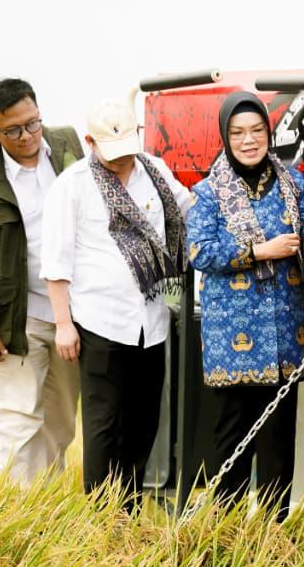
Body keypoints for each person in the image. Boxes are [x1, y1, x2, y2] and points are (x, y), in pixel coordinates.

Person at [41, 97, 192, 509]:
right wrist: (63, 324)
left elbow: (189, 210)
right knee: (104, 426)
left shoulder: (154, 171)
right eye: (113, 153)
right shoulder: (72, 186)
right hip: (99, 321)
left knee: (144, 422)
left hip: (151, 320)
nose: (123, 160)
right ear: (89, 142)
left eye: (128, 149)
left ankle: (128, 509)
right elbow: (56, 262)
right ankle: (101, 516)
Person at [187, 92, 304, 518]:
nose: (249, 140)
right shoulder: (208, 192)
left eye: (257, 130)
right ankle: (226, 534)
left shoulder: (293, 183)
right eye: (238, 133)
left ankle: (274, 536)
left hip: (284, 335)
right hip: (233, 339)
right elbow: (199, 251)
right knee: (232, 443)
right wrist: (260, 251)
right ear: (225, 138)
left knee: (278, 442)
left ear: (268, 132)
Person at [0, 78, 84, 486]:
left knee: (61, 423)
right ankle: (19, 511)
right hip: (15, 318)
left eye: (33, 124)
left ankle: (46, 506)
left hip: (71, 313)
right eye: (13, 130)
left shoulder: (68, 145)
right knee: (19, 422)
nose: (26, 136)